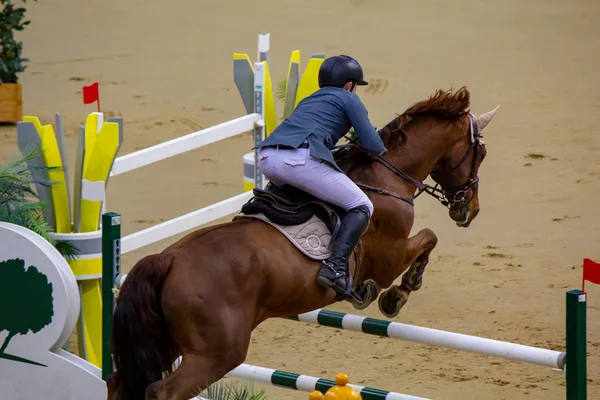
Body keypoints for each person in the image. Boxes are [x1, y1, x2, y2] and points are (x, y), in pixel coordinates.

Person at [254, 55, 388, 299]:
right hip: (299, 160)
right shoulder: (349, 98)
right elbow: (373, 145)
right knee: (361, 204)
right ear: (349, 84)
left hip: (267, 158)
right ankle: (336, 266)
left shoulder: (309, 100)